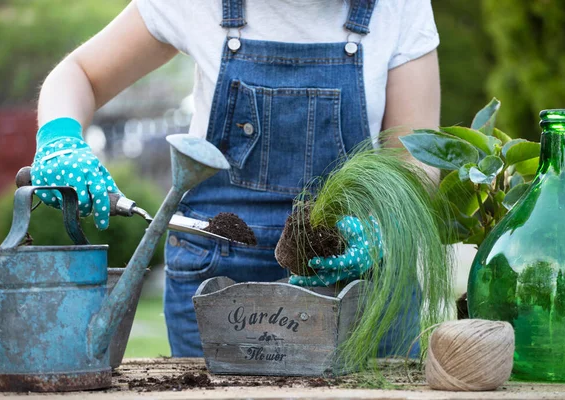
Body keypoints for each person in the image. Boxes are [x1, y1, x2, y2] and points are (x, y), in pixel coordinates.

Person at [31, 0, 441, 357]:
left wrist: (380, 228)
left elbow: (417, 166)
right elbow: (80, 73)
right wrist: (59, 139)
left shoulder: (397, 5)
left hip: (359, 290)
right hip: (218, 289)